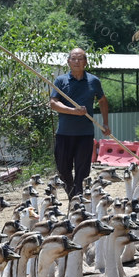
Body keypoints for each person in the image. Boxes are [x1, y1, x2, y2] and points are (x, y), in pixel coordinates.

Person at [49, 47, 111, 201]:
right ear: (68, 61)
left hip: (85, 134)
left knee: (82, 170)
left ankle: (78, 197)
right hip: (64, 133)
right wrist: (73, 111)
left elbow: (103, 101)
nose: (77, 61)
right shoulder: (61, 81)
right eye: (74, 58)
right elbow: (53, 103)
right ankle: (72, 194)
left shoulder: (93, 81)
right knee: (63, 169)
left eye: (80, 58)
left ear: (85, 62)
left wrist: (105, 123)